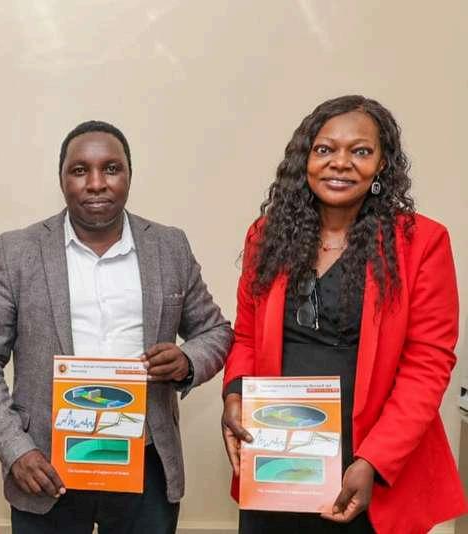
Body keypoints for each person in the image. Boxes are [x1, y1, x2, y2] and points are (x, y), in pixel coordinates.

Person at [0, 120, 233, 533]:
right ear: (62, 179)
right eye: (79, 170)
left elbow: (215, 331)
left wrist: (187, 361)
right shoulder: (18, 251)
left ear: (129, 175)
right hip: (45, 463)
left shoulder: (169, 246)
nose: (96, 183)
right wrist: (16, 450)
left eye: (111, 168)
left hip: (145, 460)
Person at [220, 95, 467, 533]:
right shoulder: (266, 236)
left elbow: (428, 364)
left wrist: (374, 460)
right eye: (325, 149)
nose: (340, 162)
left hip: (370, 460)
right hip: (278, 453)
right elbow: (246, 337)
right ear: (305, 158)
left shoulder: (422, 243)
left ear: (382, 164)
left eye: (361, 151)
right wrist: (234, 395)